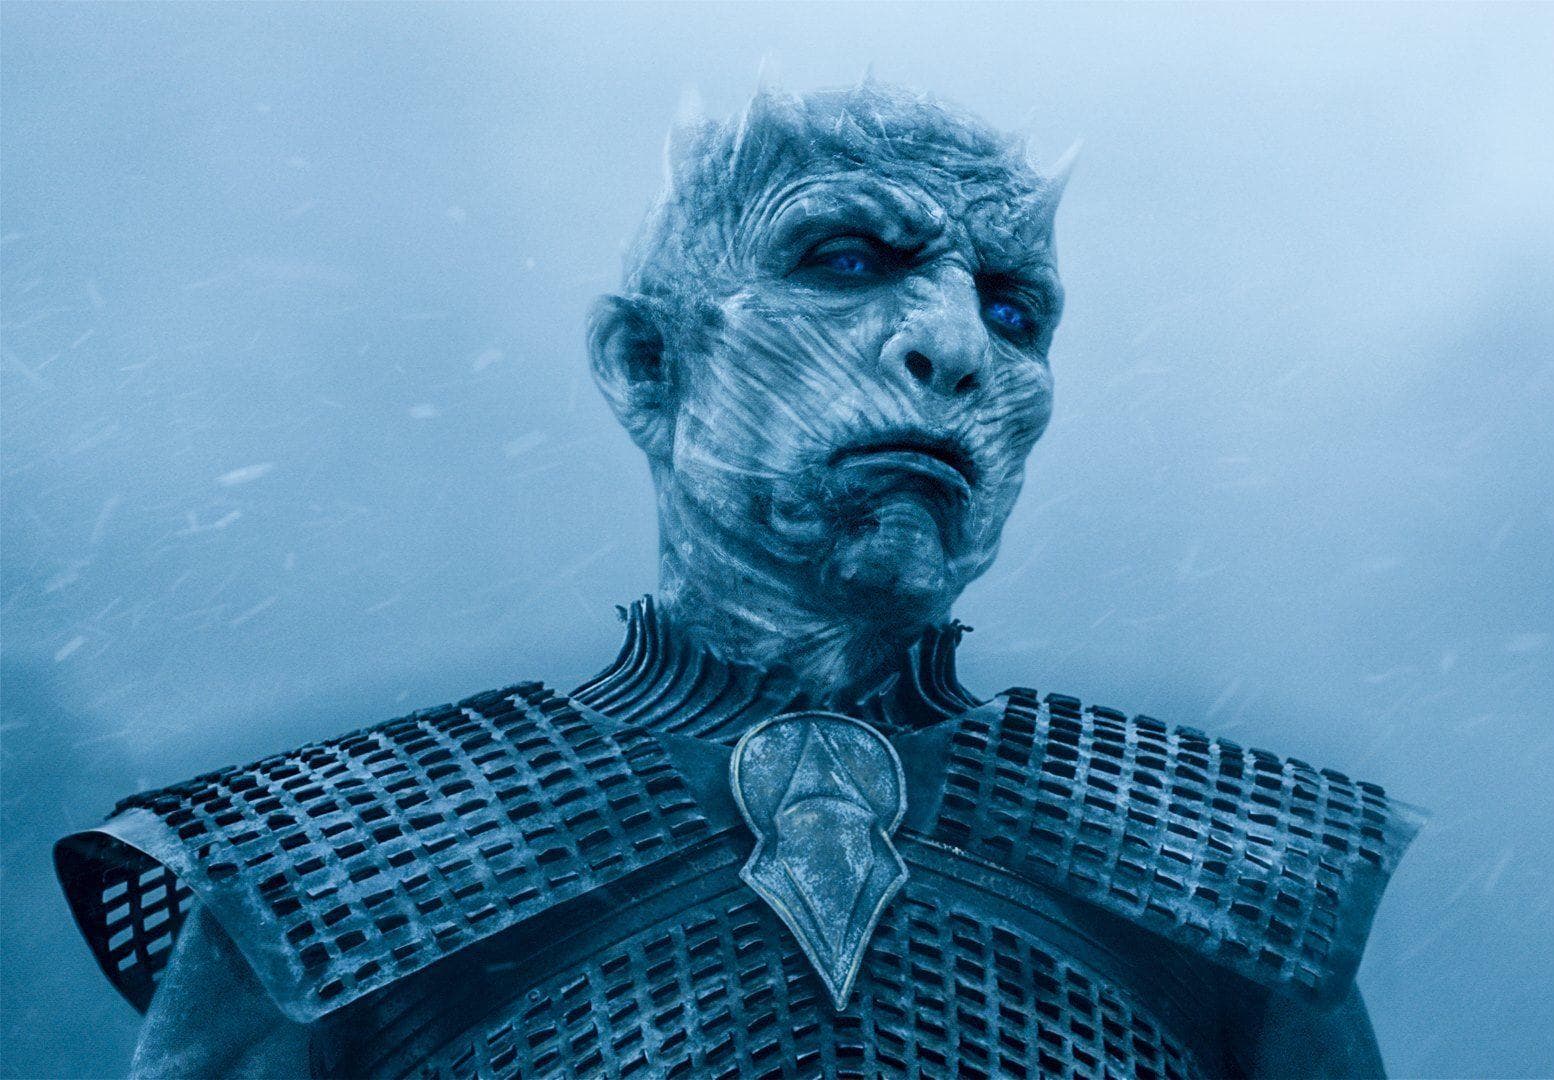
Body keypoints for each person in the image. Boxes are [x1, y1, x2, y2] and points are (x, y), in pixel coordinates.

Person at [56, 81, 1419, 1078]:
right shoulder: (331, 861)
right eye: (845, 259)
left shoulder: (1227, 870)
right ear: (648, 363)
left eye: (1014, 309)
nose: (955, 344)